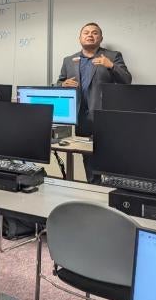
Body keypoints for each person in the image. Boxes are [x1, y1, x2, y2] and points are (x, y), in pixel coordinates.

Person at [57, 22, 132, 181]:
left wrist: (111, 66)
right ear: (80, 38)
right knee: (89, 161)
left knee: (112, 159)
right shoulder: (69, 60)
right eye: (86, 32)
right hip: (81, 120)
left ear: (101, 38)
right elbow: (59, 83)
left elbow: (127, 81)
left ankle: (111, 191)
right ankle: (93, 189)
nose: (90, 35)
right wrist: (62, 85)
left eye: (94, 33)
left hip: (106, 120)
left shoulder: (112, 56)